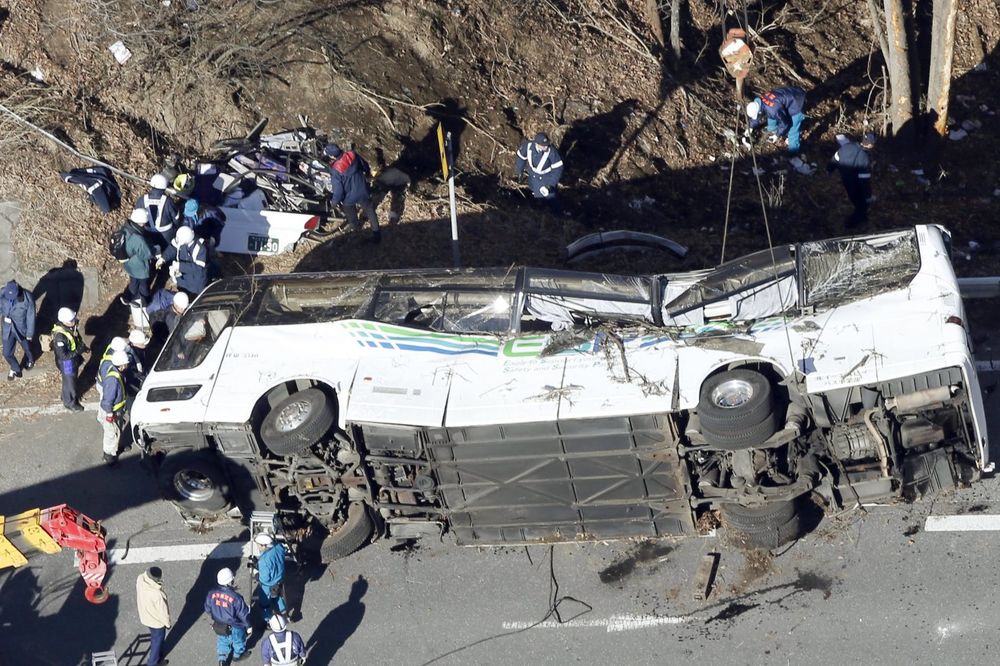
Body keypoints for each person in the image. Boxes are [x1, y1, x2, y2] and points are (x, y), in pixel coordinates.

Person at [326, 143, 380, 243]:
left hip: (349, 197)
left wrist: (334, 202)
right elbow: (365, 165)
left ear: (332, 156)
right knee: (370, 210)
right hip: (363, 190)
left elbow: (338, 190)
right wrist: (367, 174)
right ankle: (377, 234)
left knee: (351, 215)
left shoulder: (335, 170)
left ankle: (355, 230)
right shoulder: (352, 155)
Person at [204, 567, 252, 665]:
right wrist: (248, 626)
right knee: (239, 641)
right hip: (235, 625)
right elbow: (243, 614)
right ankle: (237, 656)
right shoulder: (236, 597)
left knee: (222, 641)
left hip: (219, 623)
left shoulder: (211, 593)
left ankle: (222, 659)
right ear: (230, 582)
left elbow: (207, 608)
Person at [827, 132, 875, 228]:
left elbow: (835, 158)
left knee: (856, 201)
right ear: (870, 144)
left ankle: (863, 218)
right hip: (855, 184)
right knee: (862, 205)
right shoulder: (864, 158)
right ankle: (850, 224)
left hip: (845, 180)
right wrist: (868, 196)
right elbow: (864, 181)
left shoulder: (847, 146)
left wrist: (829, 170)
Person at [746, 87, 807, 154]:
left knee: (793, 128)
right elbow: (763, 114)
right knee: (771, 115)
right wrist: (750, 127)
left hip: (798, 102)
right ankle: (772, 130)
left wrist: (777, 135)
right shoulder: (759, 102)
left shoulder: (773, 110)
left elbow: (785, 123)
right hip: (791, 93)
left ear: (759, 111)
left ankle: (793, 152)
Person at [515, 132, 564, 212]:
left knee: (551, 199)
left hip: (546, 179)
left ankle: (557, 215)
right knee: (534, 197)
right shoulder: (527, 146)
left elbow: (558, 169)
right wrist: (519, 171)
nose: (546, 147)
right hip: (532, 177)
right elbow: (521, 158)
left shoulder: (551, 151)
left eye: (546, 144)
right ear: (537, 144)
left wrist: (550, 184)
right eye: (543, 145)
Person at [98, 349, 129, 466]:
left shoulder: (116, 372)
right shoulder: (112, 380)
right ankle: (109, 456)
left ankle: (116, 448)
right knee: (111, 434)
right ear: (121, 365)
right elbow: (107, 400)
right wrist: (109, 414)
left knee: (117, 430)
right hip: (112, 412)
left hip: (118, 410)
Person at [158, 225, 209, 296]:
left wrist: (179, 266)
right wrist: (163, 258)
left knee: (192, 298)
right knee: (182, 292)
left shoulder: (200, 248)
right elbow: (172, 248)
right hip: (182, 279)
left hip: (195, 283)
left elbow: (199, 268)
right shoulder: (182, 240)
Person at [51, 307, 86, 412]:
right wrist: (78, 351)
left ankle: (66, 395)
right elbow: (64, 356)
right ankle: (69, 402)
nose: (74, 321)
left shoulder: (70, 328)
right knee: (69, 382)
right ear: (64, 321)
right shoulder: (59, 337)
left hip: (72, 359)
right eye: (72, 320)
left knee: (71, 379)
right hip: (67, 362)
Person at [136, 566, 171, 666]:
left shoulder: (140, 579)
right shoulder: (157, 594)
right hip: (156, 622)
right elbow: (163, 612)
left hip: (145, 615)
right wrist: (167, 624)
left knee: (154, 637)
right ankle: (153, 662)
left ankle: (158, 655)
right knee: (157, 640)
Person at [1, 280, 35, 380]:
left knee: (27, 348)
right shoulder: (2, 293)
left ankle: (30, 359)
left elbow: (31, 316)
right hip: (7, 327)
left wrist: (29, 333)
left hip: (21, 328)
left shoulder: (27, 297)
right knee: (6, 353)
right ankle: (15, 368)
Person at [121, 208, 155, 306]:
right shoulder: (137, 238)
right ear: (142, 222)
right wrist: (155, 250)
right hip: (139, 266)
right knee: (144, 285)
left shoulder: (126, 228)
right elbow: (146, 254)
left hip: (128, 263)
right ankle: (146, 301)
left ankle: (127, 297)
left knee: (133, 281)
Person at [137, 173, 180, 251]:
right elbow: (176, 219)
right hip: (167, 234)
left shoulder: (141, 200)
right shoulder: (168, 201)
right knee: (168, 252)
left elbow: (137, 218)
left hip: (148, 233)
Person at [253, 533, 287, 622]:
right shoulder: (279, 547)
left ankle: (268, 620)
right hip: (280, 578)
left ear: (263, 545)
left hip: (268, 585)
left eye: (258, 545)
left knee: (264, 604)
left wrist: (257, 574)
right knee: (278, 597)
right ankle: (284, 614)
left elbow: (264, 579)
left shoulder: (263, 561)